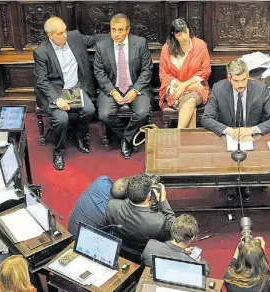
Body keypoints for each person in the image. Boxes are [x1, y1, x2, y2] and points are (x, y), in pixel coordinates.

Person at [201, 59, 270, 202]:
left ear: (248, 75)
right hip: (227, 139)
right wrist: (229, 131)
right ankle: (231, 184)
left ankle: (248, 184)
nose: (241, 85)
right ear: (229, 78)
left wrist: (252, 130)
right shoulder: (219, 89)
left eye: (244, 80)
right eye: (236, 81)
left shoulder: (260, 89)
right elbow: (206, 118)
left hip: (253, 139)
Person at [34, 16, 97, 171]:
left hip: (75, 88)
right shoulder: (41, 52)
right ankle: (58, 151)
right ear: (50, 35)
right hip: (56, 92)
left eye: (65, 31)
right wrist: (57, 99)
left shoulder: (75, 37)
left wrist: (116, 35)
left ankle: (79, 135)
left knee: (90, 110)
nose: (64, 35)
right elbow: (41, 81)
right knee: (61, 119)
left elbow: (95, 39)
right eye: (60, 33)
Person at [95, 13, 153, 159]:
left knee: (142, 113)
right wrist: (112, 91)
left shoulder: (140, 43)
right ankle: (128, 137)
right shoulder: (102, 46)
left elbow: (147, 70)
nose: (116, 34)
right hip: (112, 87)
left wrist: (135, 90)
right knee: (104, 115)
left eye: (120, 30)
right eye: (113, 29)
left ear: (128, 30)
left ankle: (125, 140)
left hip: (136, 87)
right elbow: (99, 72)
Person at [105, 174, 175, 258]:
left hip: (121, 250)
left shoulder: (112, 205)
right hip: (143, 256)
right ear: (149, 196)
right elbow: (173, 230)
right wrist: (163, 202)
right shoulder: (159, 222)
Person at [159, 18, 211, 128]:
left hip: (196, 86)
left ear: (189, 30)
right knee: (191, 103)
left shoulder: (200, 45)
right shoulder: (166, 48)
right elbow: (163, 74)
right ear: (173, 35)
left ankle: (178, 134)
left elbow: (205, 71)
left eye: (186, 32)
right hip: (175, 89)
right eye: (179, 34)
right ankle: (187, 140)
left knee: (191, 98)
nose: (184, 37)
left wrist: (184, 85)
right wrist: (181, 86)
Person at [141, 214, 211, 275]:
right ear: (192, 237)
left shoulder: (150, 246)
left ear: (172, 230)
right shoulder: (201, 266)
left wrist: (182, 251)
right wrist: (197, 264)